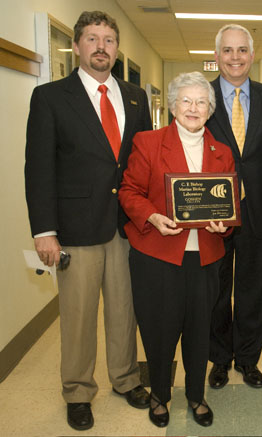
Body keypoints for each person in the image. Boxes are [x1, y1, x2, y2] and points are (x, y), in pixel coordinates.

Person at [24, 11, 151, 431]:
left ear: (117, 48)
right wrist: (45, 231)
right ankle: (77, 390)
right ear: (76, 45)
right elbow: (38, 168)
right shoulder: (51, 97)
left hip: (125, 226)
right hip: (75, 228)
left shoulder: (135, 96)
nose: (101, 46)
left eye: (109, 39)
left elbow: (144, 162)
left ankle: (126, 378)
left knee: (124, 310)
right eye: (92, 38)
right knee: (78, 316)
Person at [119, 71, 234, 428]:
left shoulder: (222, 151)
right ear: (172, 105)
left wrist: (225, 224)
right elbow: (128, 191)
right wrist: (152, 216)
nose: (193, 108)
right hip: (158, 255)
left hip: (205, 255)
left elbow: (231, 204)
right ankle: (160, 395)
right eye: (186, 100)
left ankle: (197, 395)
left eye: (201, 102)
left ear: (210, 109)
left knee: (200, 329)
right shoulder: (149, 142)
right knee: (160, 328)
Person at [205, 24, 262, 390]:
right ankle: (219, 359)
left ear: (252, 54)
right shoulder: (201, 98)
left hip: (257, 212)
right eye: (228, 51)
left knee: (253, 289)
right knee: (215, 292)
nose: (235, 57)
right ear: (217, 56)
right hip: (213, 213)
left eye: (242, 50)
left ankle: (248, 359)